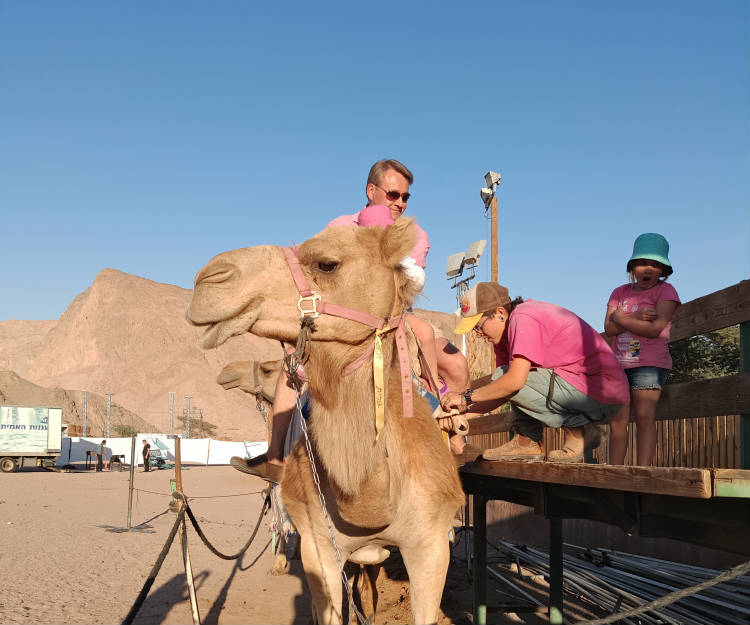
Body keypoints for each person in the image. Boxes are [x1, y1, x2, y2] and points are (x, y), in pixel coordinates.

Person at [231, 159, 469, 482]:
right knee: (293, 362)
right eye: (393, 194)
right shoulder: (340, 228)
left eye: (405, 197)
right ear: (372, 191)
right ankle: (275, 456)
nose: (399, 203)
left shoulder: (413, 234)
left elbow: (410, 287)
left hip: (393, 317)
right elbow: (313, 275)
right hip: (339, 319)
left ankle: (450, 432)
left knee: (450, 359)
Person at [441, 282, 629, 462]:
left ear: (499, 313)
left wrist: (466, 398)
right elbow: (504, 392)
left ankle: (581, 430)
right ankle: (526, 442)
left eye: (479, 326)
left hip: (603, 392)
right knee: (504, 377)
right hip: (585, 390)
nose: (478, 334)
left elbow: (513, 382)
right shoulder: (502, 338)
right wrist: (461, 416)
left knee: (506, 376)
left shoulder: (523, 317)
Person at [605, 233, 680, 466]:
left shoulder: (666, 292)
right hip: (618, 364)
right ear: (632, 267)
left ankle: (643, 473)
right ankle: (614, 474)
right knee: (618, 421)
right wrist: (634, 317)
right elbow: (608, 328)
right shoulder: (619, 292)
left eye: (656, 265)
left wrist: (621, 317)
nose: (649, 269)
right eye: (643, 263)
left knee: (645, 417)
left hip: (649, 364)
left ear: (663, 271)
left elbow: (654, 330)